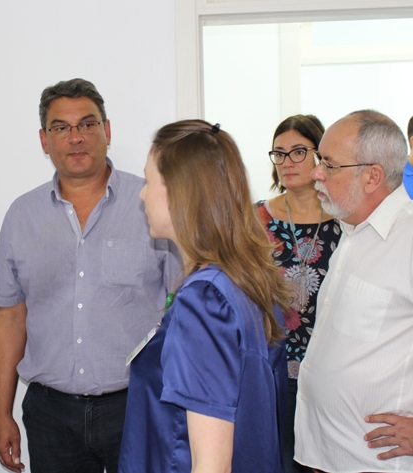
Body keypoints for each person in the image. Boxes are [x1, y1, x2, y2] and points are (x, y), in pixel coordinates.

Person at [0, 78, 181, 473]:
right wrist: (1, 413)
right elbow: (10, 317)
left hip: (137, 405)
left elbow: (182, 306)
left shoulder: (152, 204)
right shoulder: (22, 216)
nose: (76, 137)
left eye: (87, 124)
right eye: (61, 127)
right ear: (44, 140)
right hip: (50, 415)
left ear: (106, 130)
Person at [295, 110, 413, 473]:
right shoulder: (353, 231)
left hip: (386, 464)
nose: (316, 173)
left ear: (372, 176)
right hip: (330, 457)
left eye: (329, 164)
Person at [118, 120, 290, 473]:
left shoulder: (206, 300)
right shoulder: (246, 282)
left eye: (149, 182)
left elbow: (212, 464)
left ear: (179, 192)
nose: (141, 195)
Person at [255, 114, 341, 473]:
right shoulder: (255, 220)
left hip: (332, 368)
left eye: (298, 152)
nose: (286, 162)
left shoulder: (345, 220)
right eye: (279, 153)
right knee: (279, 460)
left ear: (321, 156)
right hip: (271, 365)